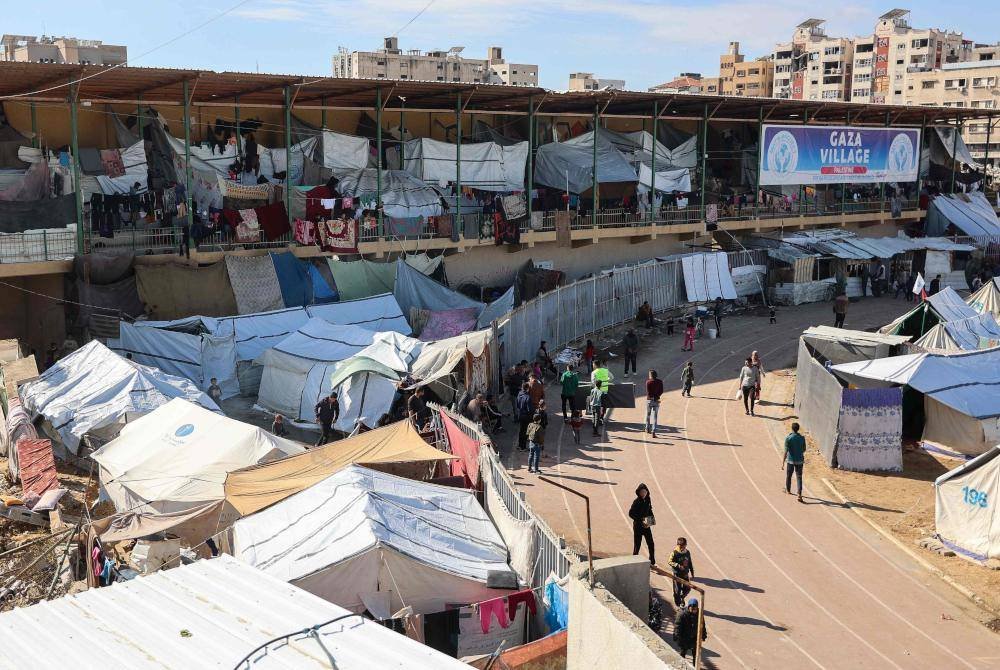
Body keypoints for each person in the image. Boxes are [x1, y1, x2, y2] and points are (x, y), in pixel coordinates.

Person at [629, 484, 656, 567]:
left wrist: (651, 520)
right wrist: (640, 520)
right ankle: (634, 560)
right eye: (642, 492)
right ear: (639, 493)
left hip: (646, 525)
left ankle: (652, 561)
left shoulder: (648, 500)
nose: (643, 493)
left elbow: (649, 510)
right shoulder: (636, 502)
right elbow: (630, 513)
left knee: (651, 543)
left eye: (645, 492)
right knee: (637, 544)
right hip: (638, 526)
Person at [783, 422, 806, 502]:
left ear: (792, 429)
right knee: (799, 477)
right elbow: (804, 449)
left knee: (789, 475)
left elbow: (785, 451)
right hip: (800, 461)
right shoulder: (802, 438)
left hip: (790, 460)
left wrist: (783, 462)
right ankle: (799, 494)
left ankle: (788, 490)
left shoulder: (788, 438)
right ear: (798, 429)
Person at [669, 537, 695, 607]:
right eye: (680, 546)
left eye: (683, 546)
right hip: (677, 574)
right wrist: (678, 565)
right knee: (677, 590)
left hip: (685, 574)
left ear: (686, 545)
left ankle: (682, 597)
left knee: (688, 588)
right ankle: (678, 604)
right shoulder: (674, 553)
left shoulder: (687, 552)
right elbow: (670, 561)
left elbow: (690, 562)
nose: (681, 548)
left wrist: (692, 571)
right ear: (677, 545)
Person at [644, 370, 663, 438]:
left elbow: (648, 392)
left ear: (651, 375)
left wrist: (652, 397)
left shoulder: (648, 382)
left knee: (648, 415)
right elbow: (661, 391)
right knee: (655, 417)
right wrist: (656, 397)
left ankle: (647, 428)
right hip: (656, 401)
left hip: (649, 400)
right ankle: (654, 431)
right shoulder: (660, 382)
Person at [516, 382, 533, 452]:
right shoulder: (528, 397)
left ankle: (520, 445)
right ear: (527, 388)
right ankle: (523, 447)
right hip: (526, 416)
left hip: (520, 414)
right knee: (525, 432)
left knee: (521, 431)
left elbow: (517, 405)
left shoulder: (519, 394)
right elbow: (529, 409)